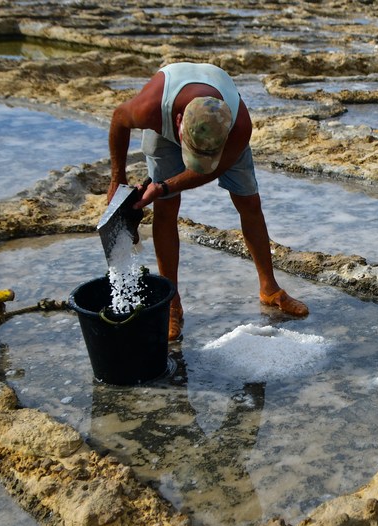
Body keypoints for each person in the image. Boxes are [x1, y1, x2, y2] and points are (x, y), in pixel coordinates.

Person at [106, 62, 308, 341]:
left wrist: (162, 187)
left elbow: (212, 169)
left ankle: (269, 289)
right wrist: (117, 179)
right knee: (166, 211)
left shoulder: (237, 126)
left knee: (249, 205)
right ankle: (172, 303)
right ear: (178, 121)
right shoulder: (149, 109)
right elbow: (118, 119)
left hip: (218, 133)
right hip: (165, 131)